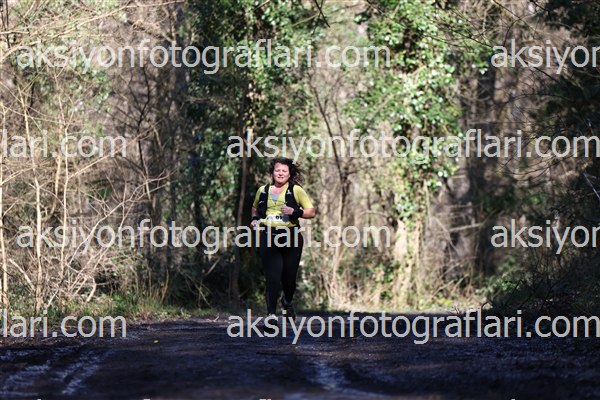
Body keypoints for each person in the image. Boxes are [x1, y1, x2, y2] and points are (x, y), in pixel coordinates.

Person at [251, 157, 316, 332]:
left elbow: (311, 212)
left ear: (289, 174)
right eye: (277, 170)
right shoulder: (263, 190)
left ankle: (287, 302)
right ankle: (271, 316)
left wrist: (295, 211)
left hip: (291, 237)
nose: (280, 173)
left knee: (289, 279)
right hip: (269, 236)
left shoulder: (296, 190)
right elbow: (255, 208)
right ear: (273, 172)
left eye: (284, 171)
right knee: (272, 277)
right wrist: (255, 219)